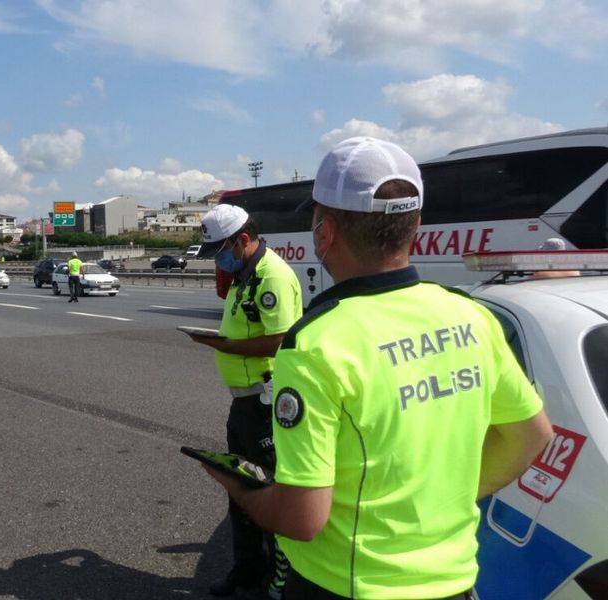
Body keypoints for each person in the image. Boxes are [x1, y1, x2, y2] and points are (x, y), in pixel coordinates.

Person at [202, 137, 554, 599]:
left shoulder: (317, 345)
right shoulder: (472, 316)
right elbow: (534, 436)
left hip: (347, 584)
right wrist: (442, 501)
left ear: (324, 234)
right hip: (456, 582)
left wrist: (240, 487)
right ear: (417, 227)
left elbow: (302, 520)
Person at [189, 203, 303, 598]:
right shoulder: (244, 273)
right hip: (245, 402)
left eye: (222, 251)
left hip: (266, 402)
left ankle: (280, 578)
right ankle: (247, 569)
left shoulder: (271, 275)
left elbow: (280, 340)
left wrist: (223, 345)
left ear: (242, 240)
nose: (219, 260)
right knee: (241, 485)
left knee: (269, 489)